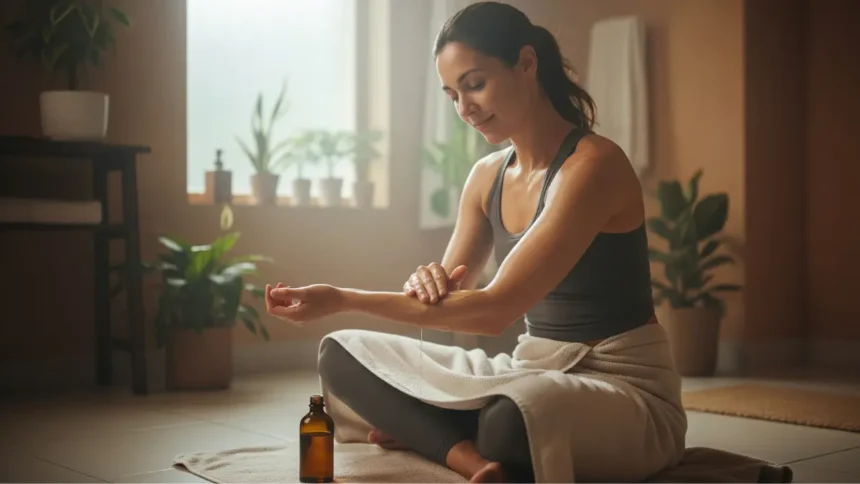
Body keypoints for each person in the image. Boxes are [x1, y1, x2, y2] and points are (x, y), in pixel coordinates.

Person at [266, 2, 685, 483]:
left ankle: (435, 433)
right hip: (531, 372)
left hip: (620, 389)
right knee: (341, 353)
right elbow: (446, 302)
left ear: (526, 63)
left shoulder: (593, 165)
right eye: (452, 95)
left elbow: (492, 312)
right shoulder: (487, 176)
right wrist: (430, 283)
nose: (464, 108)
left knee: (510, 420)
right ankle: (471, 458)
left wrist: (341, 298)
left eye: (475, 84)